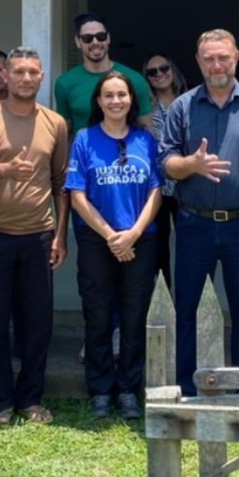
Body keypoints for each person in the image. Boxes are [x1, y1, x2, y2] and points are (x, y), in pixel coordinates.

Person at [159, 29, 239, 394]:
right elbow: (166, 163)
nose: (217, 65)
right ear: (198, 62)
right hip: (194, 223)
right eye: (209, 58)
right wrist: (191, 165)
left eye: (223, 57)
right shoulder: (182, 107)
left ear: (236, 57)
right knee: (188, 312)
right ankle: (189, 387)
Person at [0, 47, 69, 427]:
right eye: (18, 71)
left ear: (41, 77)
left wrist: (60, 234)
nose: (25, 78)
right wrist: (4, 169)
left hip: (39, 235)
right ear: (6, 76)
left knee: (37, 322)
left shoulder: (55, 123)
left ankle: (30, 399)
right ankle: (1, 401)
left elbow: (60, 184)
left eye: (33, 72)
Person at [65, 70, 162, 418]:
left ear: (131, 100)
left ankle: (128, 390)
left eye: (122, 95)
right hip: (97, 240)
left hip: (140, 240)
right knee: (99, 315)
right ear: (99, 101)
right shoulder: (84, 139)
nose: (116, 101)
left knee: (135, 316)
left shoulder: (145, 140)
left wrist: (133, 233)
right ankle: (101, 390)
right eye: (109, 95)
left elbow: (156, 190)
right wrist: (111, 236)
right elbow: (77, 194)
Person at [54, 13, 152, 135]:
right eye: (87, 38)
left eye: (101, 36)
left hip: (125, 151)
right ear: (78, 42)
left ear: (108, 38)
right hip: (83, 152)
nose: (95, 42)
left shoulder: (134, 79)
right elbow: (63, 134)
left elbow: (147, 130)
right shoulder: (65, 83)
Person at [144, 52, 188, 287]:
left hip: (186, 182)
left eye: (164, 68)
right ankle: (164, 295)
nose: (160, 74)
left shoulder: (190, 99)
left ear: (173, 69)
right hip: (158, 184)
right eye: (153, 72)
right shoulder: (146, 105)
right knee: (159, 244)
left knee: (188, 243)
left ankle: (185, 297)